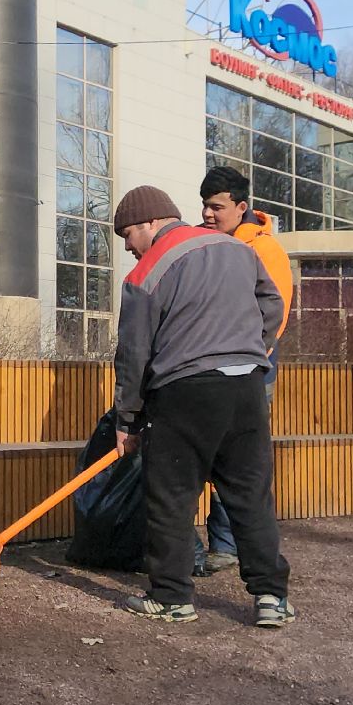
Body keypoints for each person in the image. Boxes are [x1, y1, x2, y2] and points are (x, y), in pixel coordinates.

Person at [109, 184, 292, 629]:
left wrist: (128, 418)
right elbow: (272, 303)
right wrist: (252, 346)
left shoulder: (146, 271)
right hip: (246, 385)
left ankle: (172, 597)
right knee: (249, 494)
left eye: (128, 235)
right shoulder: (237, 249)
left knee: (171, 496)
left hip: (183, 390)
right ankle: (271, 597)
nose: (128, 247)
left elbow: (134, 352)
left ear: (151, 222)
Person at [194, 165, 294, 577]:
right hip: (207, 365)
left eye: (216, 207)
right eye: (204, 205)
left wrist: (249, 358)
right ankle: (209, 544)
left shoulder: (265, 250)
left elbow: (276, 312)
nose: (208, 213)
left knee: (236, 458)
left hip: (251, 368)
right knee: (203, 452)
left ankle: (227, 544)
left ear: (241, 207)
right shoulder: (205, 243)